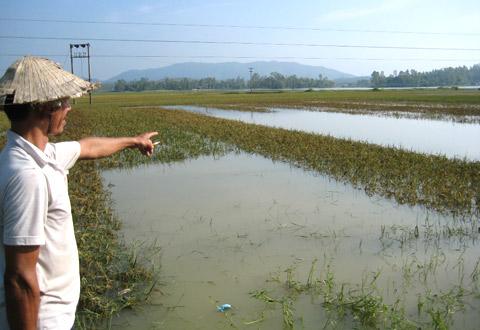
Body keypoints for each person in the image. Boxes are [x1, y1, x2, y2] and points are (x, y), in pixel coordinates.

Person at [0, 57, 158, 329]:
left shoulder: (41, 155)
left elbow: (87, 147)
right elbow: (20, 278)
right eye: (63, 102)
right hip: (44, 321)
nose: (68, 108)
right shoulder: (28, 175)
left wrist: (134, 141)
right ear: (43, 107)